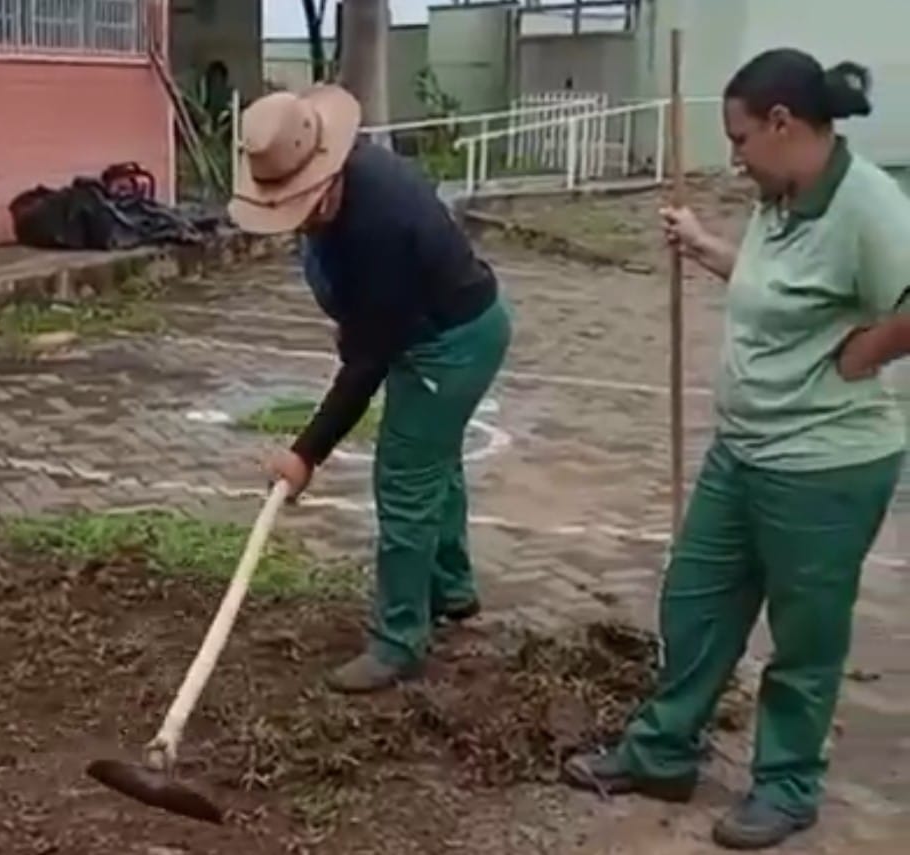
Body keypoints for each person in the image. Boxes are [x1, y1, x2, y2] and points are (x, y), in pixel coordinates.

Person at [563, 48, 910, 850]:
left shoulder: (869, 206)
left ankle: (787, 785)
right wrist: (704, 244)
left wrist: (865, 355)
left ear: (785, 124)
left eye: (742, 138)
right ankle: (661, 752)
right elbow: (774, 286)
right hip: (743, 451)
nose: (735, 155)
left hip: (826, 467)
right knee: (693, 600)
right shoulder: (780, 194)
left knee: (805, 637)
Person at [226, 85, 512, 694]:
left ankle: (399, 641)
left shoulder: (378, 221)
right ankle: (451, 588)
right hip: (432, 324)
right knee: (437, 463)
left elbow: (366, 367)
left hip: (452, 342)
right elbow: (364, 320)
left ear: (323, 175)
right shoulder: (342, 185)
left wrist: (304, 455)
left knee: (406, 478)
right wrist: (356, 321)